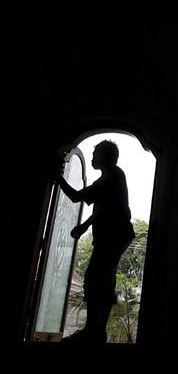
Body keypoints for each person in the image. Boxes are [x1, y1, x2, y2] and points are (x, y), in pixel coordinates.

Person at [55, 140, 135, 344]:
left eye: (95, 154)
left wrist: (56, 176)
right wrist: (84, 225)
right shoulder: (113, 176)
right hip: (116, 235)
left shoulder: (109, 178)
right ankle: (96, 330)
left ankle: (93, 331)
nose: (91, 158)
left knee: (95, 278)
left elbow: (75, 197)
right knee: (102, 278)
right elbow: (103, 208)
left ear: (104, 157)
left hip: (112, 236)